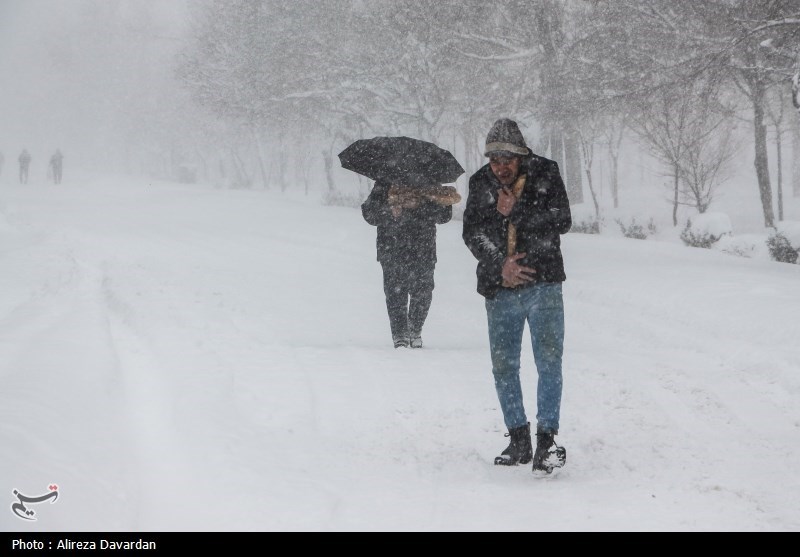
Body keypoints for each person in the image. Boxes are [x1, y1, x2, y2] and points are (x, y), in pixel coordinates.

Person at [462, 118, 572, 475]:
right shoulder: (480, 182)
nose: (501, 168)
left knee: (549, 362)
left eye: (507, 160)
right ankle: (518, 438)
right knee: (504, 366)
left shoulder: (546, 173)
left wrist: (519, 211)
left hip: (545, 285)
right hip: (500, 290)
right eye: (495, 161)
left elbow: (563, 220)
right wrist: (500, 265)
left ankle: (547, 441)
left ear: (521, 155)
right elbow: (472, 232)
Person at [362, 180, 452, 349]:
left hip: (423, 249)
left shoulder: (430, 182)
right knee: (395, 293)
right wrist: (390, 212)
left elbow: (444, 216)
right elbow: (369, 214)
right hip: (391, 248)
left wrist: (419, 207)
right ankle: (400, 334)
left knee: (423, 291)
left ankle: (415, 329)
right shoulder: (384, 183)